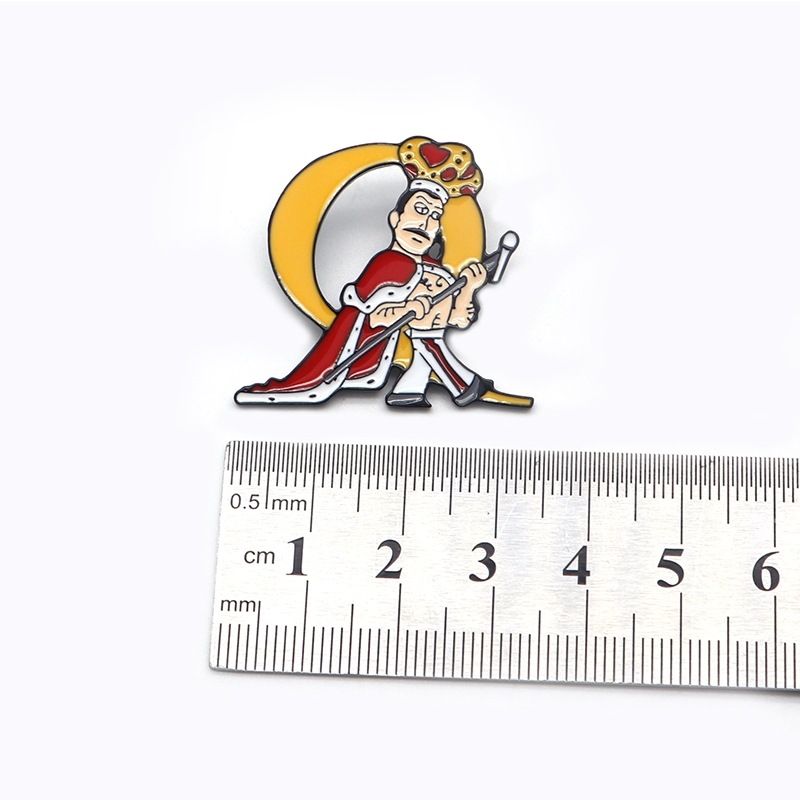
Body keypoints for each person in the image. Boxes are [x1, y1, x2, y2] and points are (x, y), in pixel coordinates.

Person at [235, 153, 493, 407]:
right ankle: (453, 386)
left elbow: (456, 320)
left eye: (435, 216)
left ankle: (411, 389)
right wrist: (407, 308)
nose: (425, 223)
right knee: (426, 342)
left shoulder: (435, 273)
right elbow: (374, 317)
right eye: (420, 209)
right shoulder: (389, 265)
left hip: (416, 341)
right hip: (370, 352)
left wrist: (468, 289)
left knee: (426, 342)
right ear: (395, 218)